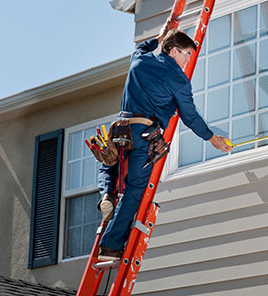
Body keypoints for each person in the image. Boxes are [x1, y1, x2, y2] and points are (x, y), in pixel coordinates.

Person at [97, 19, 232, 261]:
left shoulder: (139, 59)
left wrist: (159, 37)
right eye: (187, 54)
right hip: (143, 134)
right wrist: (212, 138)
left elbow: (144, 46)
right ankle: (110, 247)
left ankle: (106, 193)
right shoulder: (178, 79)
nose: (188, 60)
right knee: (135, 188)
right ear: (174, 50)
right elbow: (190, 116)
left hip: (119, 129)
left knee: (108, 163)